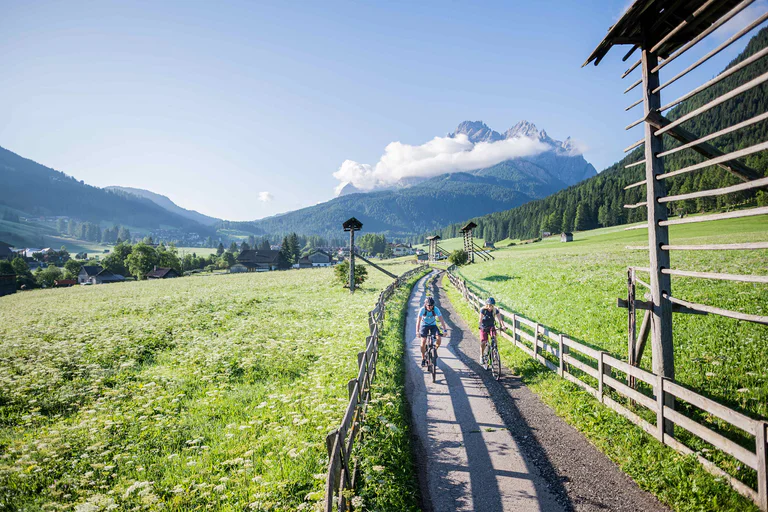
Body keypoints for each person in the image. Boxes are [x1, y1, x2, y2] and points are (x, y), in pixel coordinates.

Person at [416, 296, 448, 367]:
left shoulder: (436, 309)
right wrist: (417, 331)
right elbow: (418, 321)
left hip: (433, 325)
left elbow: (441, 319)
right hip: (424, 325)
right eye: (428, 306)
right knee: (423, 341)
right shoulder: (422, 310)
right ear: (425, 304)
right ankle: (423, 358)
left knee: (439, 338)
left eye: (431, 306)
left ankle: (435, 350)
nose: (430, 307)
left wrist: (445, 330)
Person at [479, 297, 505, 369]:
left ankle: (494, 350)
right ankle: (481, 356)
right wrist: (480, 326)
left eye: (492, 305)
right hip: (484, 327)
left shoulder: (495, 310)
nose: (490, 307)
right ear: (486, 305)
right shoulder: (483, 310)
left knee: (494, 338)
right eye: (489, 305)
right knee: (483, 341)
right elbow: (480, 320)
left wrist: (503, 326)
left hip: (491, 326)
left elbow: (500, 319)